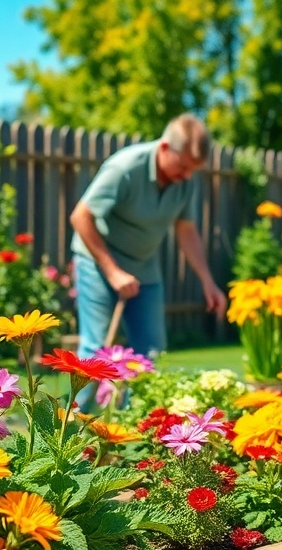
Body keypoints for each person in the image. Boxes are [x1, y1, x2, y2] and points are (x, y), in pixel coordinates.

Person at [69, 113, 227, 375]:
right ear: (165, 148)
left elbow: (186, 229)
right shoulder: (125, 168)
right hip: (98, 264)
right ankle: (74, 417)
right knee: (96, 353)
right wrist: (113, 271)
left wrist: (207, 282)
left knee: (151, 357)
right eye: (183, 166)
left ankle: (137, 416)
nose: (188, 176)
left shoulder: (184, 182)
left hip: (144, 269)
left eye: (193, 170)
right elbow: (81, 216)